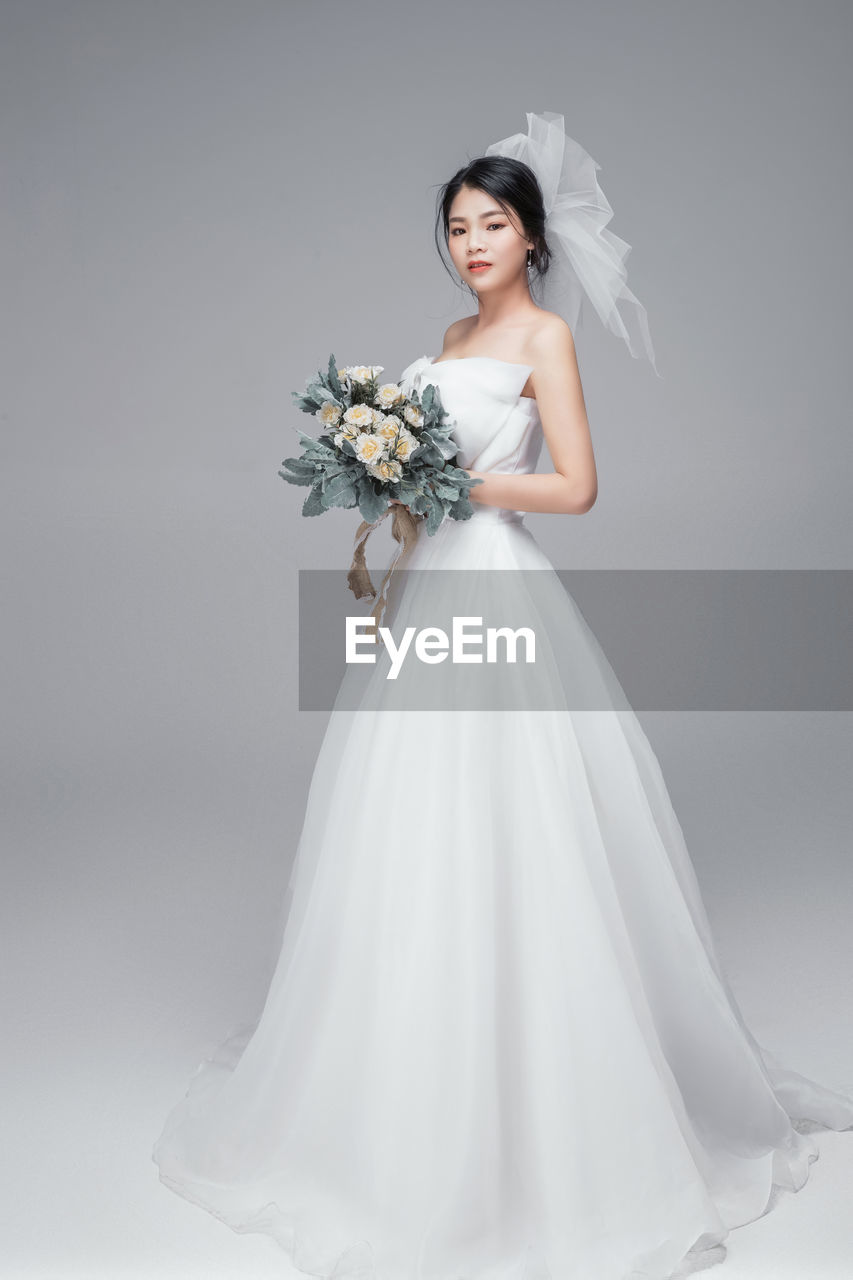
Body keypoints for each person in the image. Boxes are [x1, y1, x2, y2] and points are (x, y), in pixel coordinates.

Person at [153, 112, 853, 1280]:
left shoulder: (545, 340)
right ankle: (409, 1095)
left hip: (502, 591)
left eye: (493, 224)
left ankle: (551, 1111)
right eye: (457, 226)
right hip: (435, 589)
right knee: (407, 822)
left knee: (525, 822)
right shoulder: (444, 334)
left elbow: (576, 487)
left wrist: (452, 476)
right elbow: (429, 490)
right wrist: (393, 483)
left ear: (532, 238)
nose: (472, 242)